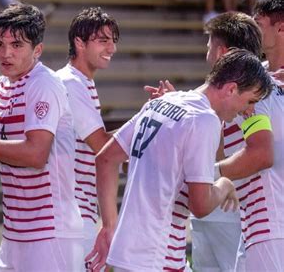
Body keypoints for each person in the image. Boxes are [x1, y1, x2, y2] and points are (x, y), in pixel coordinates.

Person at [86, 48, 272, 272]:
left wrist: (108, 226)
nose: (248, 111)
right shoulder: (205, 120)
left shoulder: (161, 103)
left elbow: (106, 159)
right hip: (159, 254)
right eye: (250, 101)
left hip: (128, 251)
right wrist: (224, 185)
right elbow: (200, 205)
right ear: (232, 89)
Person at [0, 3, 84, 271]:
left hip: (50, 231)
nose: (5, 53)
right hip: (15, 231)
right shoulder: (2, 86)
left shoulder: (43, 84)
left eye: (16, 45)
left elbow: (35, 155)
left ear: (37, 50)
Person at [143, 11, 263, 270]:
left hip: (231, 208)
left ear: (222, 52)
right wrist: (179, 109)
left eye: (209, 44)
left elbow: (256, 154)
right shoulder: (222, 94)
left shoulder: (251, 94)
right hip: (211, 206)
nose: (206, 50)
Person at [216, 0, 284, 271]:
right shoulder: (254, 80)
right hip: (258, 219)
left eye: (259, 23)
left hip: (271, 220)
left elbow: (261, 154)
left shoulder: (257, 84)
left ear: (280, 27)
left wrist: (203, 175)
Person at [55, 7, 119, 266]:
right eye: (103, 40)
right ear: (79, 43)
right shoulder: (71, 83)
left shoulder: (81, 81)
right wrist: (149, 120)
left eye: (113, 41)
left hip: (76, 213)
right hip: (70, 217)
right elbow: (103, 147)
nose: (112, 48)